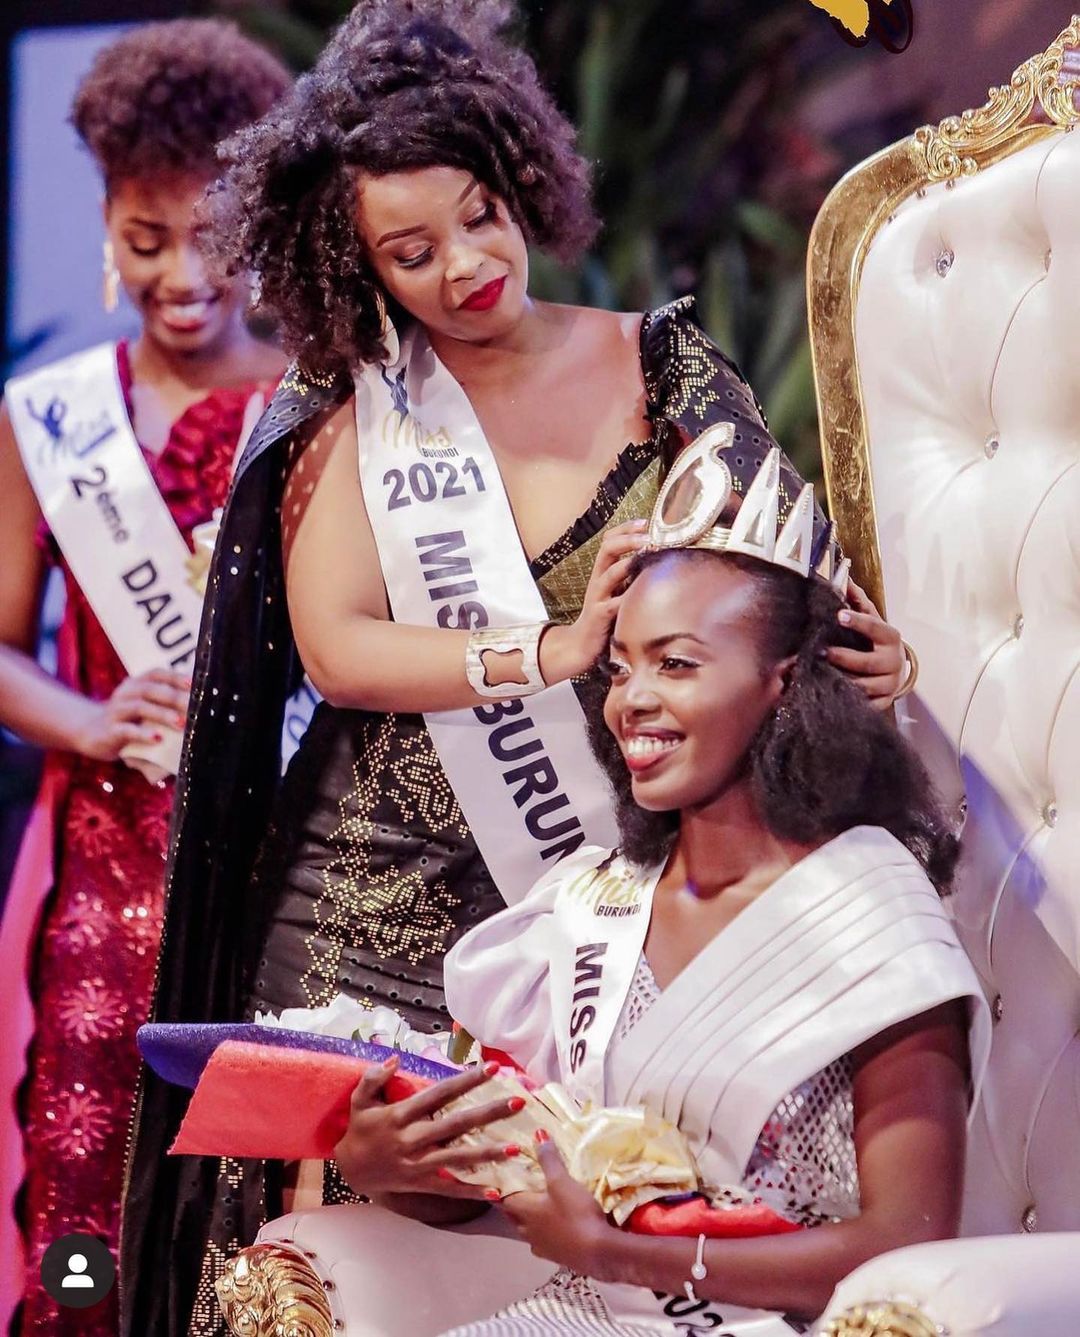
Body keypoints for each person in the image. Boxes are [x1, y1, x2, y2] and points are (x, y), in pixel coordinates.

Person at [119, 4, 911, 1333]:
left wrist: (861, 650)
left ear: (520, 179)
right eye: (412, 253)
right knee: (321, 1261)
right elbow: (338, 648)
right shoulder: (365, 401)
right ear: (359, 267)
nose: (468, 266)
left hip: (585, 891)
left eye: (480, 216)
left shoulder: (662, 366)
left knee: (581, 1235)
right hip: (369, 901)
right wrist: (552, 648)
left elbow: (779, 573)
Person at [330, 435, 990, 1335]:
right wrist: (390, 1171)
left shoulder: (872, 912)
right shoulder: (589, 908)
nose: (630, 698)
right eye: (621, 666)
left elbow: (908, 1243)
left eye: (676, 663)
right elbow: (519, 1183)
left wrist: (623, 1256)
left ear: (784, 682)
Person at [0, 21, 291, 1335]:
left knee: (252, 1203)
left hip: (276, 855)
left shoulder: (315, 399)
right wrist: (87, 717)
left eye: (214, 235)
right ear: (109, 229)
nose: (184, 274)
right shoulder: (48, 416)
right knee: (84, 1189)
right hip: (100, 864)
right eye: (146, 237)